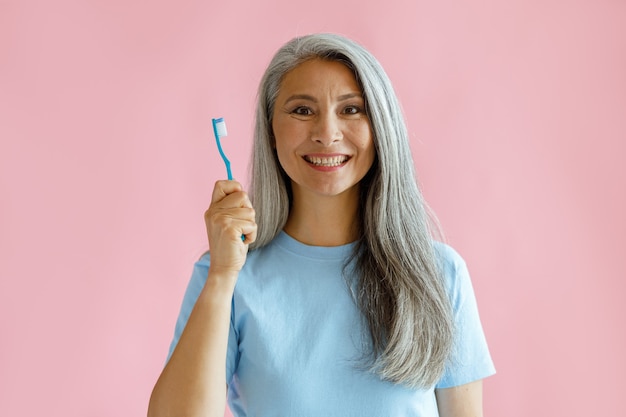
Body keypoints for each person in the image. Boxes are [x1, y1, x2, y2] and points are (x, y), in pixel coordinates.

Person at [148, 33, 495, 417]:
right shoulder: (227, 276)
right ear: (271, 131)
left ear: (381, 128)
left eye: (351, 110)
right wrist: (221, 277)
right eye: (301, 110)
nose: (326, 134)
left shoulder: (441, 274)